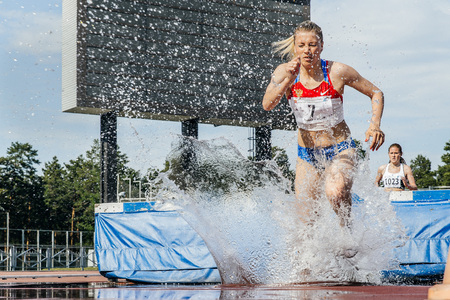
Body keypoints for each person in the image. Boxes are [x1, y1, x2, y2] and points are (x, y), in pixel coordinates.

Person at [262, 21, 385, 228]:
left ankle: (347, 230)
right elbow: (267, 104)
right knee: (306, 222)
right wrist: (287, 81)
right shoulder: (285, 72)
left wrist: (374, 125)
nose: (307, 51)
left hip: (340, 149)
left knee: (335, 192)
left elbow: (376, 93)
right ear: (295, 47)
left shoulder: (337, 71)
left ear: (321, 46)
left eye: (312, 45)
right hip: (307, 155)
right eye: (301, 45)